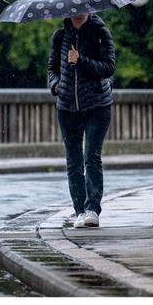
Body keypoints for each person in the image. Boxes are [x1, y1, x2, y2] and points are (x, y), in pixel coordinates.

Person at [47, 12, 116, 228]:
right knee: (73, 162)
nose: (77, 14)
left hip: (97, 105)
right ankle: (79, 211)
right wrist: (56, 86)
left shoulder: (100, 34)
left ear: (89, 11)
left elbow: (109, 68)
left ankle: (92, 210)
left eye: (82, 10)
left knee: (91, 157)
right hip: (67, 108)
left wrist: (81, 61)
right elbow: (52, 69)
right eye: (73, 11)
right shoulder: (59, 37)